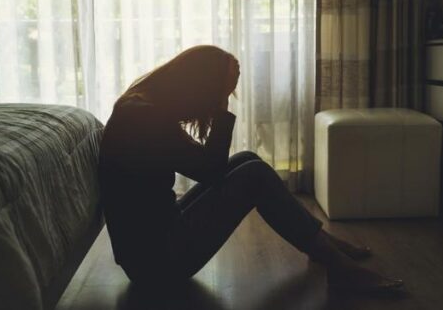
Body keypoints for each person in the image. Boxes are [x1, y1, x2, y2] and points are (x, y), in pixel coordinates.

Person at [98, 45, 404, 294]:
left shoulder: (141, 107)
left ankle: (319, 243)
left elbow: (206, 168)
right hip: (159, 263)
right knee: (253, 176)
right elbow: (211, 170)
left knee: (246, 159)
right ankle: (338, 266)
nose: (222, 100)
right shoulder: (144, 117)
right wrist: (220, 108)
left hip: (150, 250)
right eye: (221, 92)